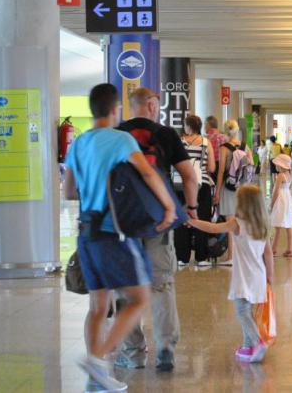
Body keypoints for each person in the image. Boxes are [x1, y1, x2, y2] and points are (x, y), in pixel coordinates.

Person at [63, 84, 176, 391]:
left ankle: (96, 380)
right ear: (116, 110)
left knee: (98, 307)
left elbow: (69, 191)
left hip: (86, 234)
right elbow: (149, 173)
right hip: (113, 234)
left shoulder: (79, 143)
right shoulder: (121, 139)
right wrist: (168, 207)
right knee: (139, 298)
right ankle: (97, 361)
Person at [116, 87, 198, 371]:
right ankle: (165, 349)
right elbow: (189, 176)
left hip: (123, 222)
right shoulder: (166, 134)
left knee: (125, 286)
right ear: (151, 105)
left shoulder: (117, 134)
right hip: (158, 219)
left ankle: (133, 352)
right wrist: (191, 207)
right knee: (162, 283)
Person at [187, 185, 274, 363]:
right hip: (258, 275)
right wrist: (270, 276)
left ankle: (258, 341)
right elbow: (268, 253)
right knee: (248, 311)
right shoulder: (262, 225)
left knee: (242, 311)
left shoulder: (238, 223)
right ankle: (247, 345)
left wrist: (193, 222)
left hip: (244, 277)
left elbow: (213, 228)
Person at [174, 115, 216, 267]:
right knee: (202, 219)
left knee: (181, 220)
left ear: (188, 127)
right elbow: (212, 167)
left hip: (181, 184)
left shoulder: (179, 142)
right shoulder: (206, 142)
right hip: (201, 184)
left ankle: (182, 257)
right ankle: (201, 257)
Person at [270, 153, 292, 257]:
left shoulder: (280, 175)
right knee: (288, 225)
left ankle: (273, 249)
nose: (275, 166)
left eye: (277, 164)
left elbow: (276, 191)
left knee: (278, 226)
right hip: (287, 199)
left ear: (281, 165)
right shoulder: (289, 175)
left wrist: (272, 204)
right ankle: (289, 249)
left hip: (280, 200)